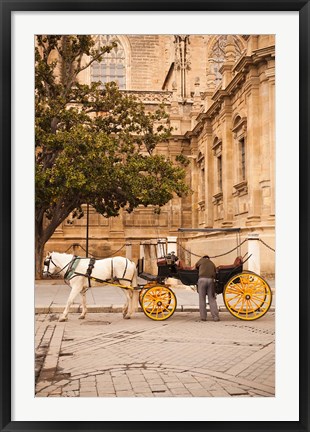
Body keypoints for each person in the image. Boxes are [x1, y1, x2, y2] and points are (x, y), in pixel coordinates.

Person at [195, 255, 220, 322]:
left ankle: (203, 317)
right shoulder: (212, 263)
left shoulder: (201, 261)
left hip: (202, 280)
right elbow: (215, 271)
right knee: (212, 299)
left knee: (202, 298)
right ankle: (215, 317)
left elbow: (196, 266)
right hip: (211, 280)